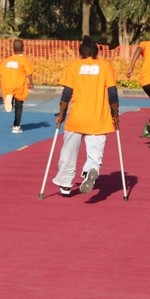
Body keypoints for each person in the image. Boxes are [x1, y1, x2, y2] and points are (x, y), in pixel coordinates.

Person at [52, 36, 119, 196]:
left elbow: (66, 92)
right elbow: (112, 92)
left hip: (77, 117)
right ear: (96, 53)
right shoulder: (105, 65)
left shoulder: (74, 65)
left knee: (69, 151)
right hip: (99, 118)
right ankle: (91, 170)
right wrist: (115, 114)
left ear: (80, 53)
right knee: (95, 152)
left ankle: (65, 184)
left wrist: (61, 114)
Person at [0, 39, 35, 133]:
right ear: (23, 48)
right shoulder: (24, 60)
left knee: (11, 97)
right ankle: (16, 126)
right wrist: (31, 83)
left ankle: (10, 100)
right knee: (19, 106)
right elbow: (29, 73)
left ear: (13, 49)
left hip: (7, 84)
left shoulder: (7, 60)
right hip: (18, 85)